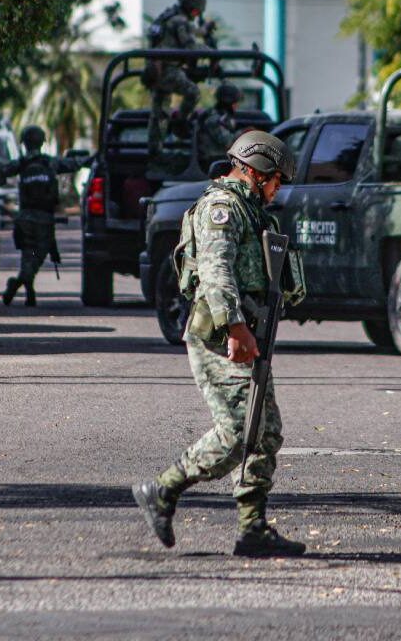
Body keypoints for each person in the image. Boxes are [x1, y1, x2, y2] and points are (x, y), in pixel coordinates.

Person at [132, 130, 308, 557]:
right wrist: (235, 329)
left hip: (250, 332)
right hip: (219, 336)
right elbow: (216, 274)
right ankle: (162, 489)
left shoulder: (255, 212)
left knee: (264, 433)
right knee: (236, 433)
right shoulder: (221, 209)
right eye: (276, 179)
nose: (278, 188)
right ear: (256, 168)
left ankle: (253, 528)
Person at [0, 125, 85, 307]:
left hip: (25, 220)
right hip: (43, 220)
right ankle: (15, 285)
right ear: (42, 141)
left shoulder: (21, 164)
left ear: (24, 143)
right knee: (36, 257)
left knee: (28, 255)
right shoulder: (50, 163)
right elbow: (74, 164)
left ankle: (29, 293)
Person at [146, 0, 213, 157]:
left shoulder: (168, 16)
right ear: (193, 9)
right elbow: (190, 46)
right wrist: (211, 51)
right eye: (197, 12)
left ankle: (155, 151)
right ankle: (180, 123)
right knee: (193, 92)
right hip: (167, 69)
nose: (197, 15)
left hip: (154, 69)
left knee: (160, 112)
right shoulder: (180, 21)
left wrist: (203, 30)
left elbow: (186, 31)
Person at [195, 83, 242, 172]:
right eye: (235, 102)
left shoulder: (221, 116)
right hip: (211, 162)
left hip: (216, 158)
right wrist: (244, 133)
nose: (237, 105)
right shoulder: (214, 119)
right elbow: (228, 142)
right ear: (229, 102)